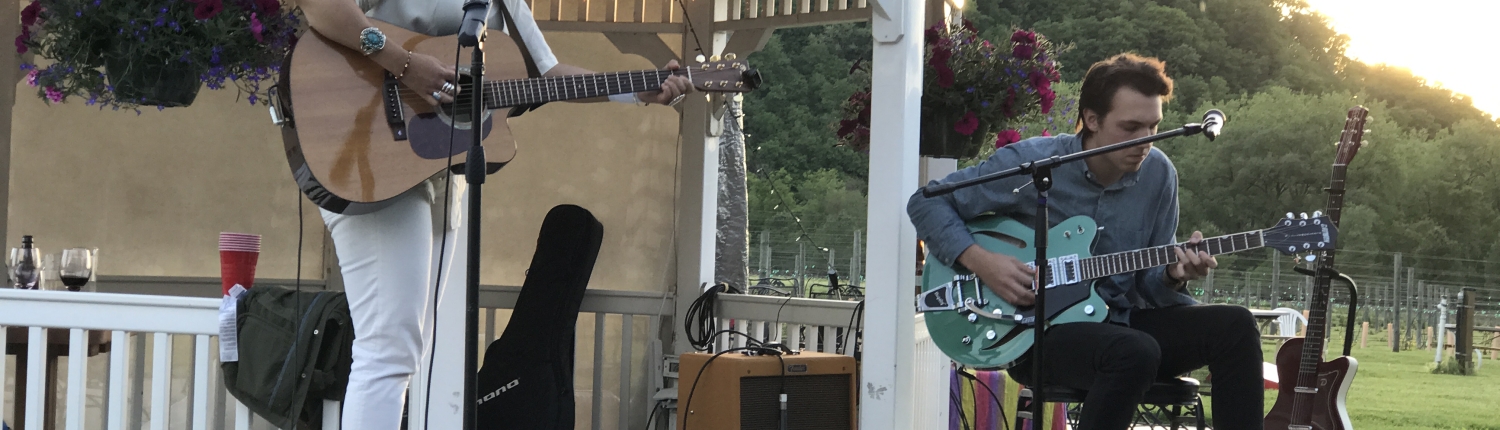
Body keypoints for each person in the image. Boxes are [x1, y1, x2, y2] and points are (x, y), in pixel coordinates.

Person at [296, 0, 695, 428]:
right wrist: (405, 64)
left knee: (406, 349)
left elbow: (548, 74)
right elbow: (322, 6)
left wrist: (637, 90)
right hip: (365, 152)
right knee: (388, 349)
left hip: (435, 172)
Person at [907, 53, 1263, 429]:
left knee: (1235, 326)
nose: (1145, 141)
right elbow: (926, 203)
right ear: (1092, 119)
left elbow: (1150, 285)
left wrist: (1173, 276)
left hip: (1122, 321)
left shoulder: (1159, 175)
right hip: (1038, 332)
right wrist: (983, 262)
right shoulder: (1034, 163)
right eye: (1130, 127)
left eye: (1154, 126)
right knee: (1134, 352)